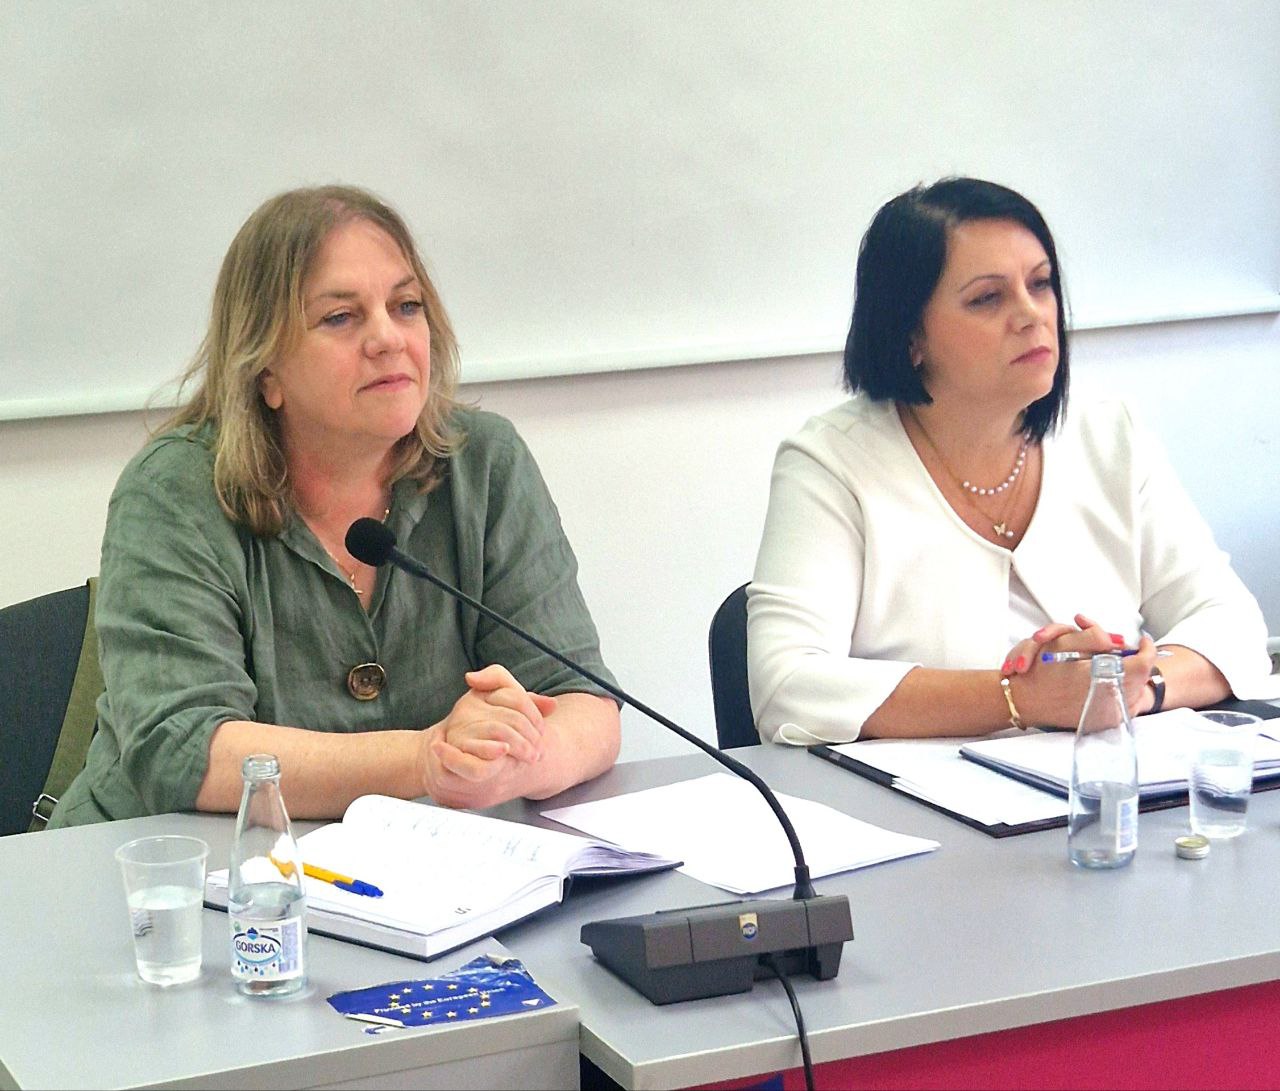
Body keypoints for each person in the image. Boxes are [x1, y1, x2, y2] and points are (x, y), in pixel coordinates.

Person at [51, 185, 620, 825]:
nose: (388, 338)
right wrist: (424, 759)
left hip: (409, 869)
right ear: (265, 369)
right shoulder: (173, 490)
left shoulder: (484, 462)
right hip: (174, 865)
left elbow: (583, 702)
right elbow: (183, 749)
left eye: (406, 306)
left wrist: (513, 759)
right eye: (341, 318)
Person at [748, 177, 1272, 745]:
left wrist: (1133, 690)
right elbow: (787, 686)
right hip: (917, 794)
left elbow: (1232, 623)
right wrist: (1020, 698)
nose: (1031, 315)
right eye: (987, 298)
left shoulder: (1108, 434)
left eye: (1041, 284)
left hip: (1109, 780)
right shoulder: (831, 462)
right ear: (910, 336)